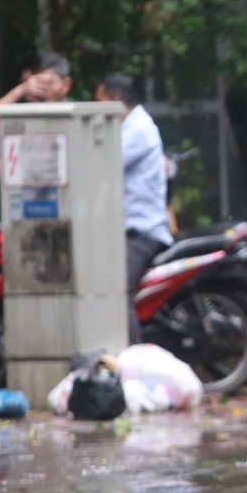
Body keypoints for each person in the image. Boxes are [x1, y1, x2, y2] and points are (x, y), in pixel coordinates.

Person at [96, 73, 175, 344]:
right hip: (131, 228)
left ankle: (133, 362)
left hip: (143, 230)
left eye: (102, 102)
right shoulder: (132, 127)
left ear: (115, 100)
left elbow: (102, 166)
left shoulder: (136, 130)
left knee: (118, 292)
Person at [0, 54, 73, 216]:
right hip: (20, 203)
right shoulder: (19, 109)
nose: (43, 88)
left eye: (49, 82)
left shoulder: (76, 116)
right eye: (38, 82)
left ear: (65, 85)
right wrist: (21, 90)